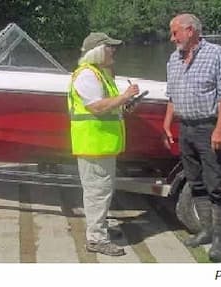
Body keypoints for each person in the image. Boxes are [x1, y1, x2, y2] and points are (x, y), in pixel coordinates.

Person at [164, 13, 221, 263]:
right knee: (194, 181)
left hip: (208, 128)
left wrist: (219, 130)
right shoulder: (173, 60)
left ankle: (219, 239)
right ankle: (205, 230)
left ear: (190, 30)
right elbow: (172, 98)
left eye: (175, 32)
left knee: (216, 183)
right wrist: (166, 124)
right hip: (185, 128)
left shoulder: (217, 54)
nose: (172, 37)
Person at [68, 32, 142, 256]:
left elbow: (108, 107)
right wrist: (125, 95)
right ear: (99, 51)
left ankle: (99, 229)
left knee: (101, 190)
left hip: (101, 145)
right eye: (111, 48)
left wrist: (125, 104)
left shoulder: (100, 74)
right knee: (97, 192)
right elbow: (97, 107)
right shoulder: (88, 75)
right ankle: (96, 239)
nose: (114, 52)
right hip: (93, 145)